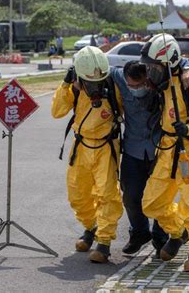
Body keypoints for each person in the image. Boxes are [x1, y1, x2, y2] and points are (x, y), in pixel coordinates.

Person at [139, 34, 189, 272]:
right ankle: (177, 232)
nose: (151, 73)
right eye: (149, 68)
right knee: (151, 203)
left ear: (168, 63)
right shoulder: (163, 84)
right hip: (167, 147)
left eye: (154, 68)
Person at [110, 58, 189, 256]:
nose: (136, 89)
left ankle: (161, 237)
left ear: (148, 78)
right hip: (133, 149)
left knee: (159, 196)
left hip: (160, 149)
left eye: (141, 84)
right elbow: (95, 68)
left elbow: (186, 60)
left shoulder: (159, 80)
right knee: (131, 196)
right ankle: (139, 232)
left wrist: (187, 69)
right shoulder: (118, 77)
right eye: (131, 85)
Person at [51, 46, 123, 263]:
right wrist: (67, 86)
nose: (94, 88)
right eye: (89, 83)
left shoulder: (113, 86)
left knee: (107, 194)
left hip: (106, 146)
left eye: (98, 83)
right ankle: (91, 227)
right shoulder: (73, 88)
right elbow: (57, 112)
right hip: (81, 146)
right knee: (77, 194)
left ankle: (104, 242)